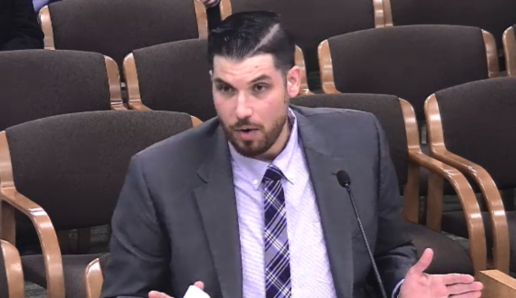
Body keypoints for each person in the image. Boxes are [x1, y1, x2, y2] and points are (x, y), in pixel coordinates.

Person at [101, 11, 483, 298]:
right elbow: (123, 291)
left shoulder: (358, 139)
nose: (241, 110)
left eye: (259, 87)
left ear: (293, 83)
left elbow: (387, 249)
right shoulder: (159, 172)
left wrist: (402, 285)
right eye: (226, 89)